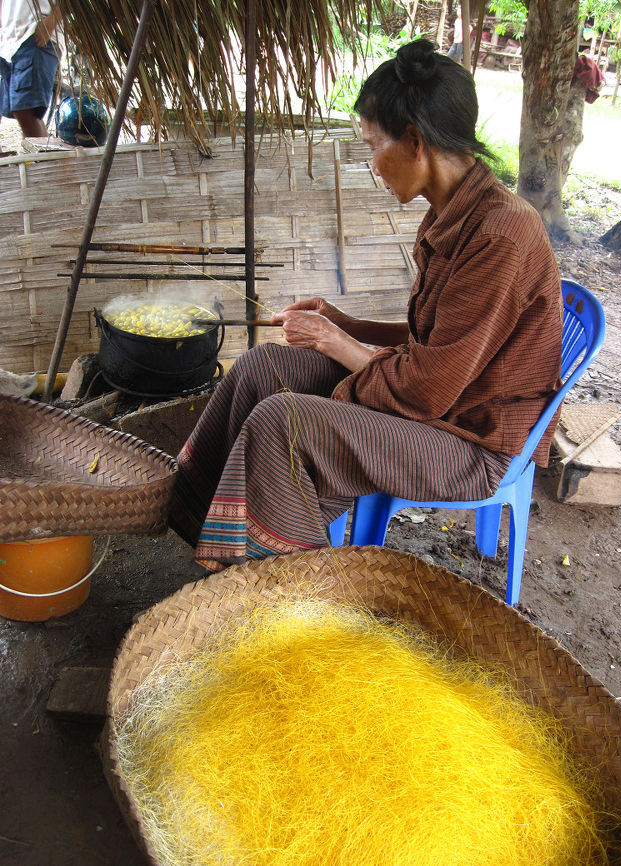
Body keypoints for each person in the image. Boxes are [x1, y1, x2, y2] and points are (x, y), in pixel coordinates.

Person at [169, 38, 563, 575]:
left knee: (284, 422)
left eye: (373, 144)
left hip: (471, 439)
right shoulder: (456, 211)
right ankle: (220, 543)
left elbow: (427, 387)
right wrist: (345, 322)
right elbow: (440, 335)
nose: (372, 163)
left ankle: (284, 589)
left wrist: (335, 342)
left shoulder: (501, 234)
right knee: (264, 367)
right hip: (443, 402)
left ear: (416, 142)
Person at [0, 0, 62, 140]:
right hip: (10, 38)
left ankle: (43, 160)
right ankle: (39, 159)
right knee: (22, 109)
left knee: (25, 109)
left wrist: (52, 21)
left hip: (37, 32)